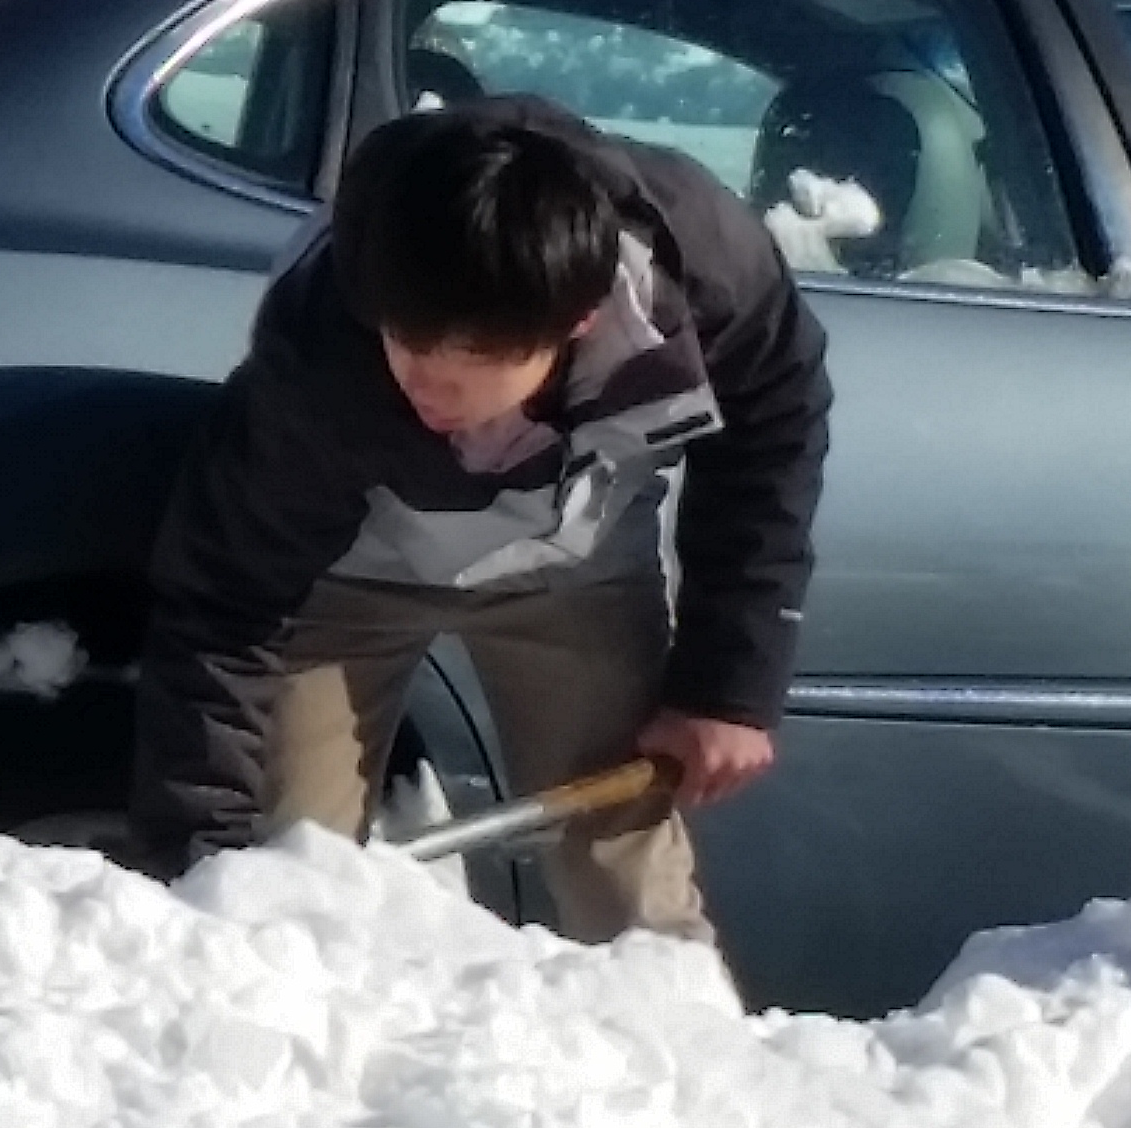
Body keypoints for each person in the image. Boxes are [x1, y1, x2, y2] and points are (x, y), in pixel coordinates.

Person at [122, 98, 831, 950]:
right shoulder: (324, 349)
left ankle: (683, 1065)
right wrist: (208, 874)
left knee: (628, 887)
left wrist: (728, 685)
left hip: (580, 565)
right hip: (343, 580)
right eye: (411, 345)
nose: (431, 386)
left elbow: (775, 426)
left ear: (579, 324)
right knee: (283, 879)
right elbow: (226, 604)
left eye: (478, 361)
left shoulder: (701, 268)